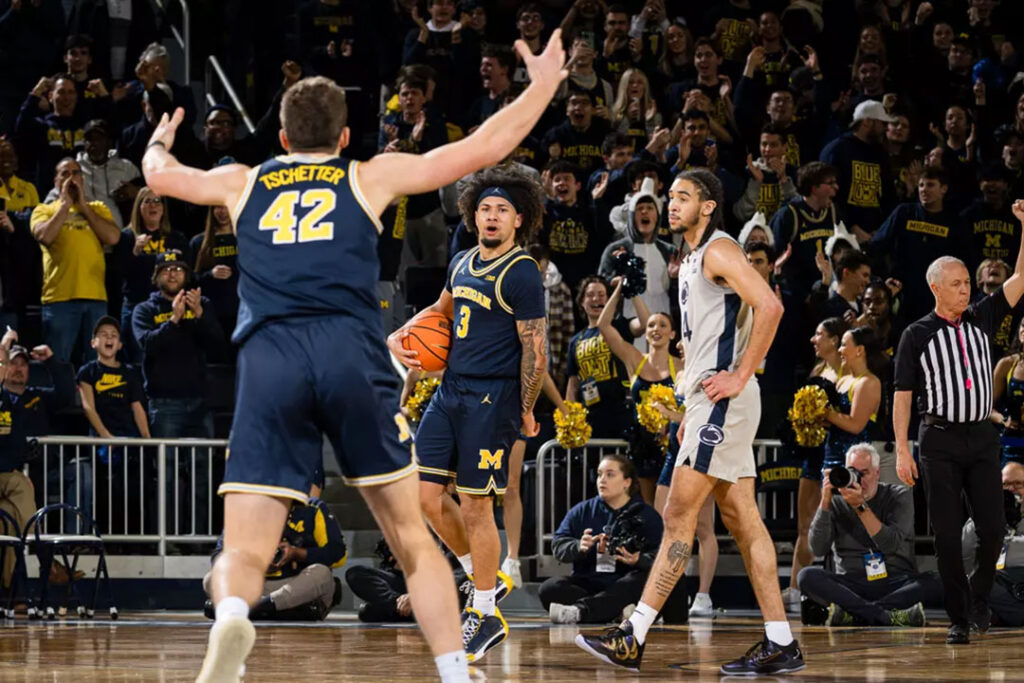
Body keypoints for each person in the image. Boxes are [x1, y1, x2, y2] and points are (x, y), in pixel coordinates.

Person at [141, 28, 567, 682]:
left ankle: (231, 610)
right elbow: (483, 147)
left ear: (281, 138)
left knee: (244, 546)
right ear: (343, 137)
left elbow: (159, 176)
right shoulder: (370, 175)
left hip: (271, 357)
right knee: (413, 541)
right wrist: (541, 86)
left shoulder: (242, 181)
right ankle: (456, 669)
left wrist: (162, 133)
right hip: (350, 351)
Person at [576, 168, 802, 674]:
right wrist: (689, 408)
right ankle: (781, 640)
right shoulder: (692, 258)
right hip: (708, 403)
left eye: (682, 197)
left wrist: (739, 376)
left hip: (722, 399)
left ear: (708, 205)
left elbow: (770, 305)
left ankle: (632, 635)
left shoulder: (721, 250)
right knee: (743, 521)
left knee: (677, 517)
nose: (671, 204)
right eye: (669, 197)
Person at [390, 167, 548, 662]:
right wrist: (399, 334)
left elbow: (536, 353)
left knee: (478, 504)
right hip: (450, 389)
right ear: (472, 214)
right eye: (485, 209)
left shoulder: (522, 272)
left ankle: (484, 613)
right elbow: (439, 312)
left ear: (519, 219)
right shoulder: (461, 261)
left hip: (492, 397)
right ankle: (485, 576)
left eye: (502, 210)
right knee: (423, 495)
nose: (492, 217)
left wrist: (524, 410)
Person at [893, 211, 1024, 644]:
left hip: (983, 439)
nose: (966, 289)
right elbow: (903, 395)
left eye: (968, 282)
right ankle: (957, 617)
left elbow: (1022, 276)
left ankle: (979, 597)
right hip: (939, 440)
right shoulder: (916, 334)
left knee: (992, 530)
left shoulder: (983, 317)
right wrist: (902, 449)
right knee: (947, 536)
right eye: (957, 283)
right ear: (935, 288)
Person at [799, 443, 941, 626]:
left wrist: (860, 507)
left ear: (877, 473)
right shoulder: (835, 502)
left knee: (940, 580)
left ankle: (855, 614)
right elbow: (817, 548)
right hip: (851, 585)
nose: (857, 479)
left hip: (895, 582)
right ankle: (885, 616)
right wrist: (824, 502)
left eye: (863, 473)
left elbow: (890, 545)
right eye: (852, 472)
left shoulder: (899, 496)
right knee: (806, 576)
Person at [541, 454, 664, 624]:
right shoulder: (582, 510)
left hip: (626, 583)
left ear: (627, 482)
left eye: (610, 474)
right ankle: (614, 611)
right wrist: (578, 546)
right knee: (550, 588)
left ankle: (583, 612)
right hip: (590, 583)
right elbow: (558, 544)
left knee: (641, 580)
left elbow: (662, 556)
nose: (602, 480)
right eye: (599, 474)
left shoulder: (646, 514)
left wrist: (639, 559)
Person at [204, 477, 346, 622]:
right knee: (211, 578)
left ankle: (250, 609)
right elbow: (218, 557)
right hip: (258, 586)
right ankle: (276, 609)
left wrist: (297, 553)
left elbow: (338, 554)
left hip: (297, 587)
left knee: (322, 573)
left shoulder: (313, 508)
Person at [782, 318, 847, 610]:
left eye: (819, 333)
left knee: (838, 525)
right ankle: (796, 587)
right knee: (804, 523)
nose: (813, 339)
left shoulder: (848, 375)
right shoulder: (817, 370)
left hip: (837, 452)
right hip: (813, 451)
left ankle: (837, 586)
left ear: (835, 340)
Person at [30, 158, 120, 365]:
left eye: (76, 172)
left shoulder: (97, 208)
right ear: (56, 181)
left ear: (83, 179)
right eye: (65, 173)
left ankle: (96, 399)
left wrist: (84, 208)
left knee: (99, 363)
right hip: (60, 298)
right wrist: (65, 206)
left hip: (95, 297)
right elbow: (45, 236)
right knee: (57, 363)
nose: (71, 177)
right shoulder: (44, 210)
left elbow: (113, 238)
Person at [597, 279, 675, 503]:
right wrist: (623, 287)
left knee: (669, 508)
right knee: (647, 508)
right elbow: (604, 326)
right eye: (650, 326)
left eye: (662, 325)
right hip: (642, 445)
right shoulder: (635, 359)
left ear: (672, 334)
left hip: (670, 445)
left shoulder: (680, 365)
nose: (655, 329)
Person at [117, 189, 189, 363]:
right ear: (138, 208)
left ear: (163, 209)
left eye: (157, 201)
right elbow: (120, 273)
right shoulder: (127, 236)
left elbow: (188, 275)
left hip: (167, 306)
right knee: (137, 361)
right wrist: (135, 252)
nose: (153, 205)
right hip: (136, 306)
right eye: (147, 201)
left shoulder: (176, 238)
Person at [565, 276, 633, 440]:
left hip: (619, 411)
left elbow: (644, 325)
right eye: (590, 294)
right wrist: (569, 417)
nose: (596, 299)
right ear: (582, 302)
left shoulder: (619, 328)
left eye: (602, 294)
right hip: (590, 414)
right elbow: (572, 383)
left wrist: (629, 289)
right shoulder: (576, 340)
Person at [820, 100, 894, 243]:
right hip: (842, 234)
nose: (885, 129)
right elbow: (828, 195)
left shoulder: (881, 153)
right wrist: (850, 226)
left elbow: (887, 194)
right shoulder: (836, 150)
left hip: (875, 234)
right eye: (882, 124)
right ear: (867, 122)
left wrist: (882, 228)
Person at [961, 463, 1024, 627]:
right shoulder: (984, 517)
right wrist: (990, 520)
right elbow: (965, 553)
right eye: (1005, 485)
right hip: (997, 587)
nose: (1011, 489)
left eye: (1018, 484)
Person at [823, 327, 883, 473]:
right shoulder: (843, 380)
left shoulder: (869, 382)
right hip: (830, 455)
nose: (839, 350)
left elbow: (856, 425)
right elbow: (836, 421)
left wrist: (824, 413)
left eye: (844, 345)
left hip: (854, 463)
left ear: (859, 350)